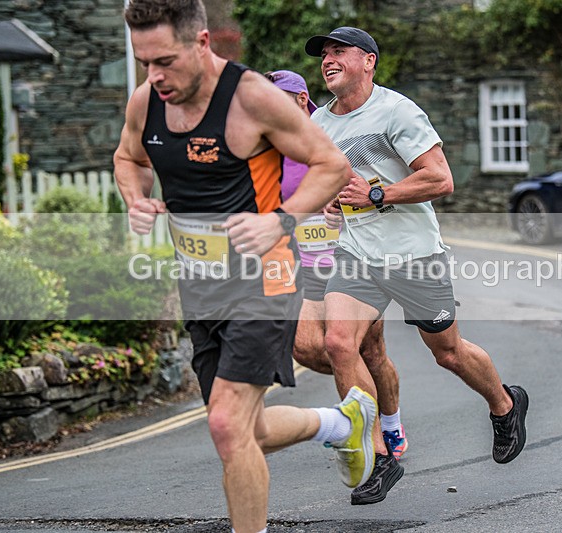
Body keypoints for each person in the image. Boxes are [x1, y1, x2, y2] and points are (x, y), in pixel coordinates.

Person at [113, 3, 377, 532]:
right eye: (145, 62)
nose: (155, 75)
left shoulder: (251, 98)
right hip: (201, 286)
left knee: (226, 425)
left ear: (202, 42)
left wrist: (281, 219)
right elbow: (130, 158)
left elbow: (331, 166)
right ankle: (340, 422)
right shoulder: (148, 100)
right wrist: (135, 197)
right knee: (242, 430)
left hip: (266, 279)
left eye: (165, 60)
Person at [304, 26, 530, 505]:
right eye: (323, 54)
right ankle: (380, 456)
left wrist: (378, 193)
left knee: (447, 352)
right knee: (339, 343)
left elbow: (440, 179)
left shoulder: (397, 110)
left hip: (414, 253)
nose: (328, 59)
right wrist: (332, 204)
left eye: (338, 51)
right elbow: (332, 185)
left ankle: (505, 404)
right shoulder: (320, 124)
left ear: (368, 61)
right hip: (357, 253)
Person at [266, 69, 409, 463]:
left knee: (370, 350)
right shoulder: (266, 149)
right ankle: (360, 409)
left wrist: (344, 208)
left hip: (351, 257)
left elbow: (370, 187)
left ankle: (386, 428)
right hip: (301, 264)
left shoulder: (330, 133)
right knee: (308, 348)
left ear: (298, 99)